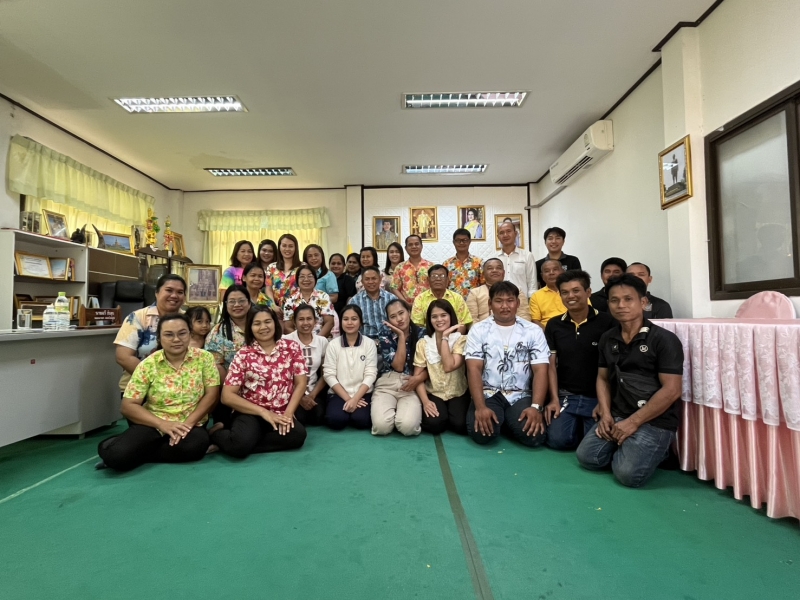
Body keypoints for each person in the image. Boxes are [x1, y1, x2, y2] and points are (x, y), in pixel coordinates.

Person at [576, 274, 684, 488]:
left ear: (643, 302)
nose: (621, 305)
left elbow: (672, 390)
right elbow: (603, 379)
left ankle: (657, 451)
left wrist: (633, 423)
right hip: (618, 413)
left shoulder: (664, 340)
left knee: (628, 475)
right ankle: (631, 447)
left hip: (655, 420)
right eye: (614, 300)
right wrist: (606, 414)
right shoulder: (608, 338)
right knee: (587, 457)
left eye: (628, 299)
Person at [97, 315, 220, 472]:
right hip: (154, 423)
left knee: (195, 446)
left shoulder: (204, 358)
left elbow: (211, 395)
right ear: (160, 338)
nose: (176, 339)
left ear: (190, 334)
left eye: (182, 333)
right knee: (117, 456)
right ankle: (119, 447)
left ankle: (138, 453)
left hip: (190, 424)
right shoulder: (148, 364)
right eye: (169, 334)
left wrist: (188, 424)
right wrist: (163, 425)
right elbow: (128, 406)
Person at [210, 306, 308, 458]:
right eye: (257, 323)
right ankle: (218, 435)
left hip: (281, 411)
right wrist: (264, 412)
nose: (263, 327)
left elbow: (301, 383)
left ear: (275, 323)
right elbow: (227, 396)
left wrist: (289, 413)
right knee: (239, 447)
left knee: (297, 435)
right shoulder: (244, 354)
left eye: (267, 321)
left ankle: (237, 441)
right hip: (251, 412)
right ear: (250, 327)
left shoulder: (291, 347)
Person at [464, 282, 550, 447]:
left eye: (510, 300)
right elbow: (473, 368)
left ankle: (507, 421)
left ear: (518, 303)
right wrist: (480, 407)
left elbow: (541, 370)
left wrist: (536, 407)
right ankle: (504, 420)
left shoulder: (533, 331)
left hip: (521, 394)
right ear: (490, 304)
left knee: (535, 437)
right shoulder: (478, 330)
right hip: (488, 393)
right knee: (483, 435)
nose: (505, 306)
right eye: (499, 301)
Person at [544, 270, 616, 450]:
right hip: (567, 395)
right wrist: (554, 399)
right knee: (558, 441)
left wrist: (604, 404)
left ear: (588, 292)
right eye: (565, 292)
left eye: (576, 290)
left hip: (596, 397)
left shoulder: (608, 322)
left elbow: (613, 367)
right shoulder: (554, 325)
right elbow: (551, 365)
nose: (571, 296)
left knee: (596, 444)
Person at [114, 274, 186, 392]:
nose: (174, 295)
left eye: (180, 292)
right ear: (156, 293)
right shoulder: (137, 317)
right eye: (169, 290)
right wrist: (158, 381)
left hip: (183, 389)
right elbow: (123, 357)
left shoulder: (189, 319)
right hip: (141, 388)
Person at [414, 300, 470, 435]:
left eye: (443, 315)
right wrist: (425, 402)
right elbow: (417, 377)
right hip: (434, 392)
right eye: (434, 316)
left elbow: (448, 366)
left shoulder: (461, 340)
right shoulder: (423, 343)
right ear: (429, 320)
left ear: (451, 316)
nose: (439, 320)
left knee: (460, 425)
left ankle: (450, 415)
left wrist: (444, 338)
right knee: (435, 424)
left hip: (458, 392)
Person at [372, 299, 425, 436]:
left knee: (408, 427)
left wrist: (419, 378)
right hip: (387, 383)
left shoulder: (422, 334)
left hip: (411, 384)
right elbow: (399, 367)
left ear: (409, 312)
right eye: (393, 316)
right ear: (388, 320)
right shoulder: (385, 334)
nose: (399, 319)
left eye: (401, 313)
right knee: (381, 427)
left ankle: (400, 416)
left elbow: (432, 366)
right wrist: (401, 336)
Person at [323, 305, 378, 430]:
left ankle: (353, 412)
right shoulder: (333, 345)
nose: (349, 323)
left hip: (363, 393)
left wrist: (356, 398)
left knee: (361, 421)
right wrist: (349, 399)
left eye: (354, 319)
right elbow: (329, 375)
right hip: (339, 393)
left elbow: (371, 374)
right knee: (335, 421)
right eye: (345, 319)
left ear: (360, 322)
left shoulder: (369, 344)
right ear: (340, 321)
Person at [286, 305, 329, 426]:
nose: (305, 323)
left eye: (309, 319)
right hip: (291, 393)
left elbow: (325, 374)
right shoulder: (285, 341)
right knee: (300, 418)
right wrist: (300, 398)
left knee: (319, 417)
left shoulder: (322, 341)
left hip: (313, 391)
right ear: (294, 322)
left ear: (315, 321)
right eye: (301, 319)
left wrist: (312, 395)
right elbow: (283, 376)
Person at [205, 285, 251, 381]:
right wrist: (231, 386)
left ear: (249, 303)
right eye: (232, 301)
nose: (237, 305)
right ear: (225, 305)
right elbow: (216, 365)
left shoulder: (261, 326)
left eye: (241, 301)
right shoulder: (217, 332)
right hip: (233, 384)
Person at [410, 264, 472, 332]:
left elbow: (462, 324)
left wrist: (453, 337)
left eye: (442, 276)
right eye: (434, 276)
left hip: (454, 336)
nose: (438, 279)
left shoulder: (457, 298)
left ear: (447, 280)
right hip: (428, 336)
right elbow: (417, 325)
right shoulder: (420, 299)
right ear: (428, 280)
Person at [496, 220, 536, 321]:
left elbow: (532, 283)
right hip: (500, 304)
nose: (505, 235)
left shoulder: (527, 256)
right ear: (498, 237)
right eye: (502, 232)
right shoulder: (494, 258)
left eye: (508, 231)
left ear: (516, 233)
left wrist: (531, 305)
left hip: (522, 304)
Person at [282, 265, 335, 337]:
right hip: (297, 341)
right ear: (297, 280)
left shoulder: (323, 296)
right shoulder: (290, 300)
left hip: (321, 338)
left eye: (310, 276)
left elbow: (329, 322)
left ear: (315, 279)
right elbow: (288, 327)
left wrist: (317, 340)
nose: (306, 279)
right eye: (302, 276)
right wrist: (300, 340)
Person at [349, 266, 396, 339]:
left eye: (374, 278)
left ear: (380, 279)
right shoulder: (355, 301)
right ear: (362, 282)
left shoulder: (391, 298)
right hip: (365, 340)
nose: (370, 282)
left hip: (389, 339)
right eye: (367, 279)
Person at [391, 235, 433, 305]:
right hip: (407, 308)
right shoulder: (400, 267)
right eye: (410, 245)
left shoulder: (431, 266)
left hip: (428, 306)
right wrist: (405, 303)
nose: (414, 246)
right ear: (406, 248)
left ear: (421, 246)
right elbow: (394, 288)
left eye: (416, 244)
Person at [443, 228, 483, 299]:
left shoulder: (479, 262)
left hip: (473, 302)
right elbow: (443, 286)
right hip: (452, 302)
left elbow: (483, 284)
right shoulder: (446, 264)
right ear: (453, 242)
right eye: (458, 240)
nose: (461, 243)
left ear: (469, 241)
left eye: (464, 240)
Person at [265, 233, 301, 309]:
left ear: (295, 248)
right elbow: (268, 289)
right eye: (284, 246)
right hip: (276, 309)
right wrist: (273, 306)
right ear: (279, 247)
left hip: (298, 308)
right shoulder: (271, 267)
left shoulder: (303, 267)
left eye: (290, 246)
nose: (287, 249)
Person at [529, 259, 567, 328]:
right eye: (547, 271)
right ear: (542, 276)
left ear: (563, 272)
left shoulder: (571, 291)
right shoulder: (536, 296)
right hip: (547, 330)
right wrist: (547, 332)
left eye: (555, 269)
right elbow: (535, 320)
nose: (551, 273)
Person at [466, 259, 505, 323]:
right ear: (483, 274)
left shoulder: (515, 291)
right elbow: (472, 319)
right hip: (481, 328)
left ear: (504, 273)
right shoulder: (474, 293)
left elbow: (522, 316)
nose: (494, 270)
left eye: (498, 268)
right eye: (490, 268)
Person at [329, 253, 357, 317]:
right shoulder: (325, 279)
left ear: (344, 266)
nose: (336, 266)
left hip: (342, 314)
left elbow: (350, 298)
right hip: (325, 313)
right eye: (333, 263)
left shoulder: (348, 280)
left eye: (339, 264)